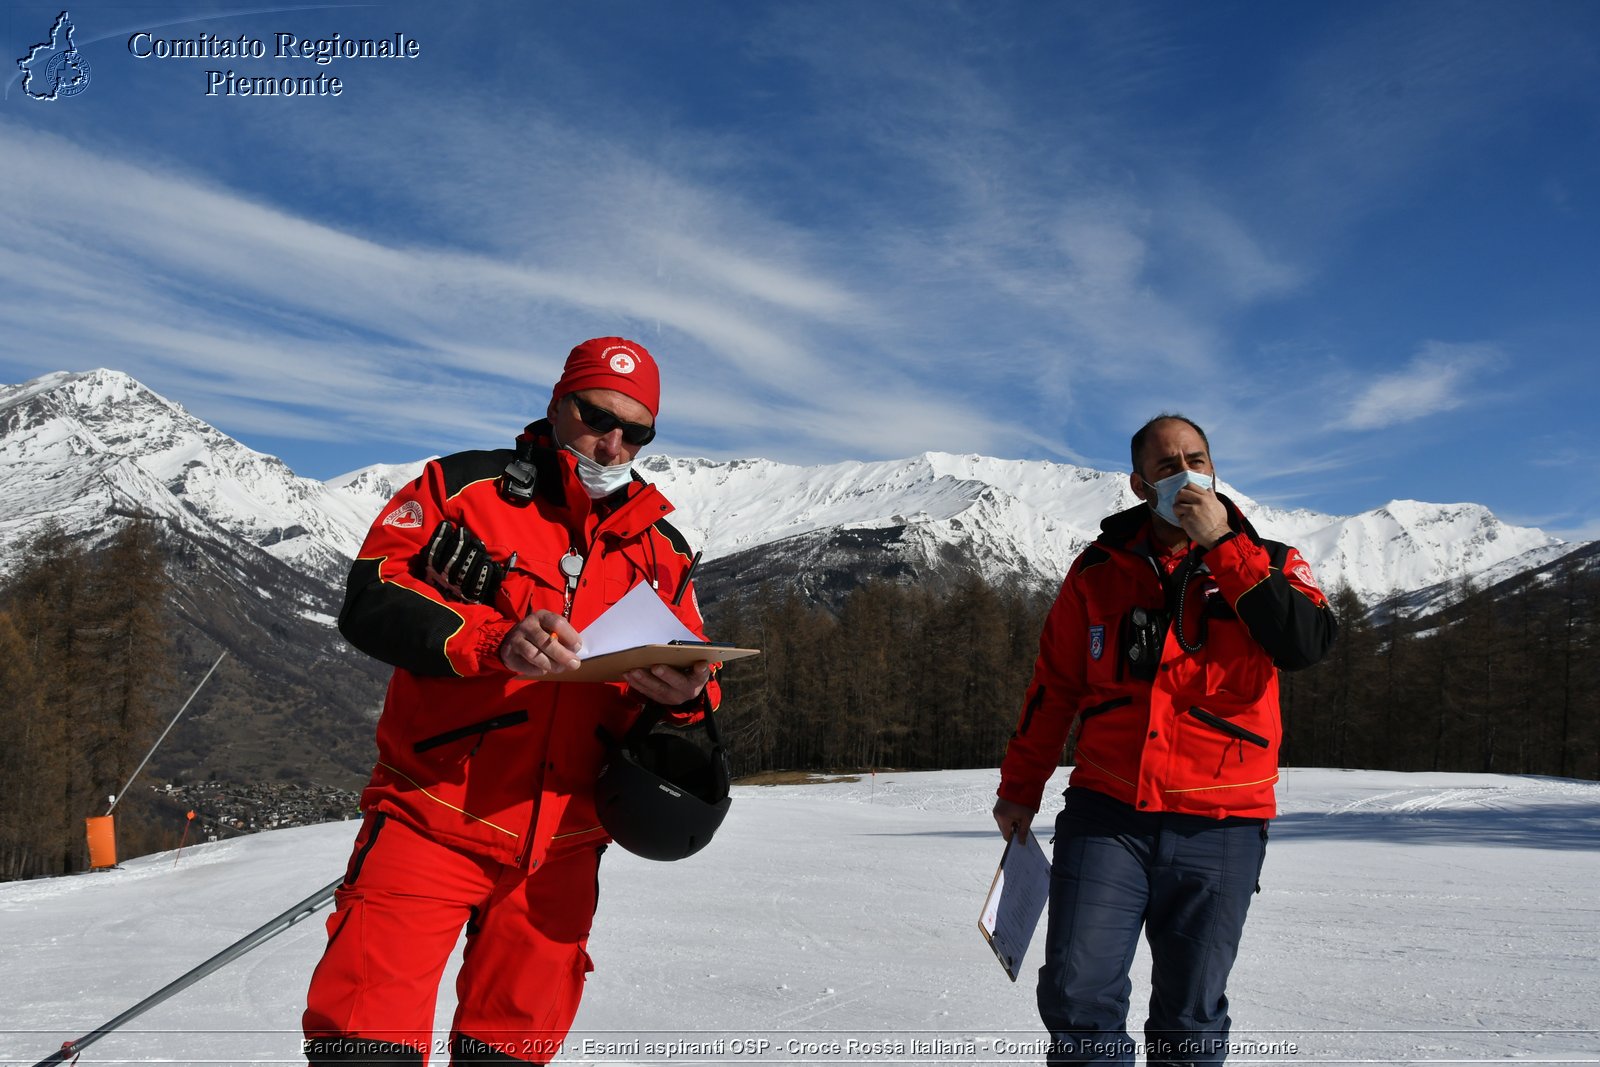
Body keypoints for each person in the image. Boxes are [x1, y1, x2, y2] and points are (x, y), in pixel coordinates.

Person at [304, 337, 725, 1066]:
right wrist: (493, 639)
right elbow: (371, 597)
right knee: (362, 1045)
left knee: (509, 1054)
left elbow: (692, 668)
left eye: (637, 430)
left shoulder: (664, 549)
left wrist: (688, 696)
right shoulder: (460, 489)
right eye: (597, 415)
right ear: (559, 401)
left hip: (562, 847)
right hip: (431, 814)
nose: (613, 441)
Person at [993, 414, 1337, 1067]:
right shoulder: (1096, 571)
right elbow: (1054, 687)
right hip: (1106, 812)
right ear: (1138, 484)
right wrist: (1019, 788)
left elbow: (1305, 643)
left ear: (1213, 468)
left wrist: (1224, 549)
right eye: (1166, 463)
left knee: (1189, 1018)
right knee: (1075, 996)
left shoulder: (1272, 560)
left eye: (1197, 458)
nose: (1185, 472)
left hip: (1223, 823)